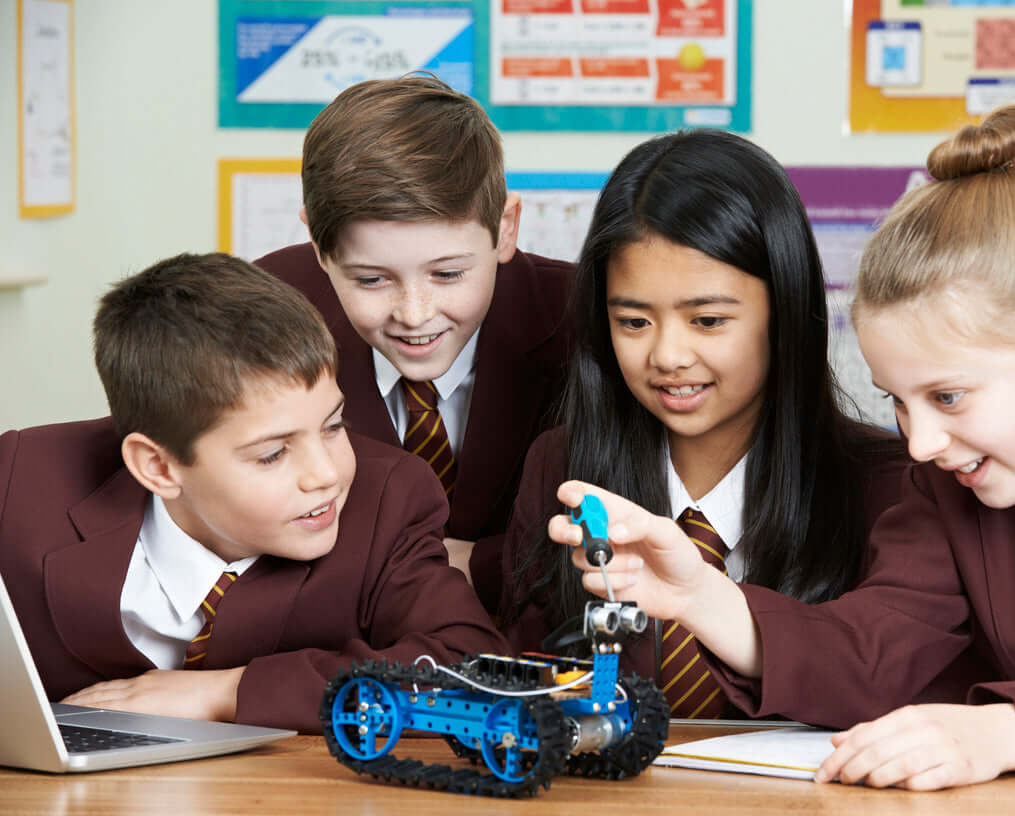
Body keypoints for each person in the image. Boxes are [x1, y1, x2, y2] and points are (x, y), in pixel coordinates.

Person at [548, 105, 1015, 786]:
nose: (917, 444)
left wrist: (1003, 731)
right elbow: (877, 645)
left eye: (947, 396)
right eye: (896, 399)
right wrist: (705, 596)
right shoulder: (955, 456)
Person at [500, 129, 919, 720]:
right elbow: (531, 686)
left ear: (786, 310)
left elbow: (894, 683)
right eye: (634, 323)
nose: (668, 356)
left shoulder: (891, 486)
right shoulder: (562, 468)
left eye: (707, 320)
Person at [0, 253, 509, 733]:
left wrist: (227, 691)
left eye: (333, 426)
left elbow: (472, 666)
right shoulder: (17, 484)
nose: (325, 474)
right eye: (272, 455)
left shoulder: (388, 499)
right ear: (157, 466)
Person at [255, 75, 572, 610]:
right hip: (330, 636)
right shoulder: (267, 313)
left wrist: (482, 564)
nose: (415, 314)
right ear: (318, 244)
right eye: (372, 280)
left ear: (506, 227)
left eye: (448, 274)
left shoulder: (585, 318)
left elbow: (639, 508)